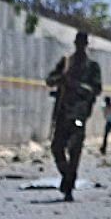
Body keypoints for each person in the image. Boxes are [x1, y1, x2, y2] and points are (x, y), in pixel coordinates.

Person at [45, 30, 101, 202]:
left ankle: (68, 186)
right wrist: (62, 78)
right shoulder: (66, 63)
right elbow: (49, 80)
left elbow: (96, 89)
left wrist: (77, 86)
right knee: (57, 148)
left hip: (79, 114)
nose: (80, 46)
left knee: (75, 150)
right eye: (78, 43)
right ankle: (67, 176)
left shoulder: (92, 67)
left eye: (83, 43)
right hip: (62, 113)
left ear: (86, 45)